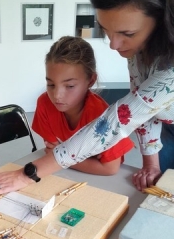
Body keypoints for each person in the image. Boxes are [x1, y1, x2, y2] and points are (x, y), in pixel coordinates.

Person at [0, 0, 174, 197]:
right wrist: (150, 163)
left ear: (162, 19)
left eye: (127, 33)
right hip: (165, 126)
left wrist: (28, 174)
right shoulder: (139, 47)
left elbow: (118, 121)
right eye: (106, 30)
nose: (113, 45)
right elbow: (145, 109)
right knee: (157, 196)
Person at [32, 36, 134, 176]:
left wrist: (62, 155)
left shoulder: (102, 116)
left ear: (91, 80)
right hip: (64, 175)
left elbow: (110, 168)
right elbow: (52, 151)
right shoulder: (44, 103)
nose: (57, 95)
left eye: (70, 86)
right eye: (51, 84)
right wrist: (87, 161)